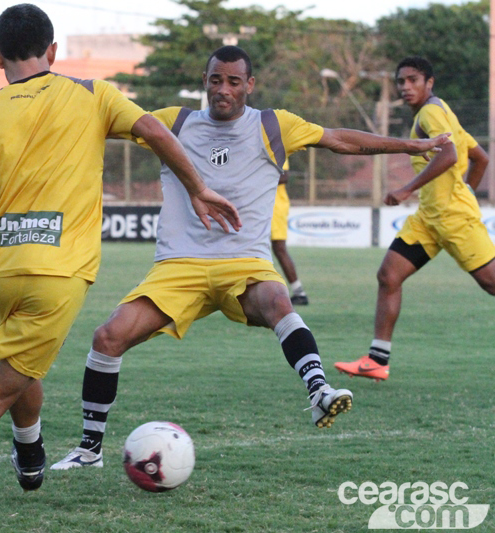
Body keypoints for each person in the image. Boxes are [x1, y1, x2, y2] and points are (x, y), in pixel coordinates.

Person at [0, 4, 239, 510]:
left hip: (0, 271)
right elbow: (152, 129)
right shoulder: (90, 93)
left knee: (25, 365)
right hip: (57, 273)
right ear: (53, 51)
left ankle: (30, 447)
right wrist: (197, 187)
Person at [50, 46, 451, 471]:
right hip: (178, 267)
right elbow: (104, 119)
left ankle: (319, 392)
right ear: (205, 81)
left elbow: (340, 139)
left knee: (280, 303)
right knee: (107, 337)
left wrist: (411, 144)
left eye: (233, 82)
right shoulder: (176, 122)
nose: (223, 90)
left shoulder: (273, 125)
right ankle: (89, 450)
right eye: (215, 80)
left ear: (249, 85)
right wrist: (53, 86)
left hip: (245, 263)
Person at [335, 56, 493, 382]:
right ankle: (377, 359)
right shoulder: (443, 110)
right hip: (429, 220)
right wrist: (460, 192)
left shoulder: (430, 113)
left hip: (453, 220)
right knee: (389, 275)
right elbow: (480, 158)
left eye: (413, 80)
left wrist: (407, 189)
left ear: (429, 83)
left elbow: (450, 156)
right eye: (401, 81)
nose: (405, 87)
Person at [271, 160, 309, 305]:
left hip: (275, 205)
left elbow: (284, 176)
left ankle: (299, 293)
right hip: (259, 204)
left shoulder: (276, 144)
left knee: (279, 248)